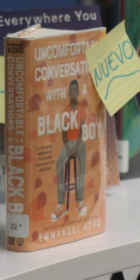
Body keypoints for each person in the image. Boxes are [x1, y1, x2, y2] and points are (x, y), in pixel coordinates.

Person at [53, 79, 87, 221]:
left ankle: (80, 201)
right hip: (68, 143)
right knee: (59, 164)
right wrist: (68, 148)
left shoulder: (81, 109)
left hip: (79, 142)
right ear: (68, 93)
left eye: (75, 90)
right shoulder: (66, 110)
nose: (72, 92)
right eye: (70, 90)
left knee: (82, 165)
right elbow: (64, 133)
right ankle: (61, 204)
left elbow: (82, 132)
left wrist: (75, 148)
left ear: (77, 92)